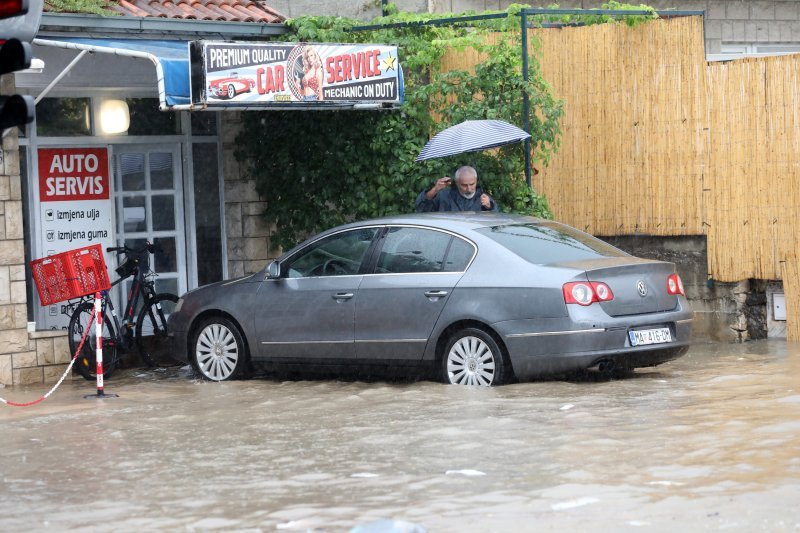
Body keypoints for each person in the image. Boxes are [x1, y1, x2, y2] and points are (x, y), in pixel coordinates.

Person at [415, 165, 499, 212]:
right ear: (457, 182)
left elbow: (496, 222)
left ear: (476, 181)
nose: (469, 189)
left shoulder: (483, 198)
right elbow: (421, 209)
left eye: (472, 184)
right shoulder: (444, 195)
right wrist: (435, 190)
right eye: (464, 185)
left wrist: (489, 206)